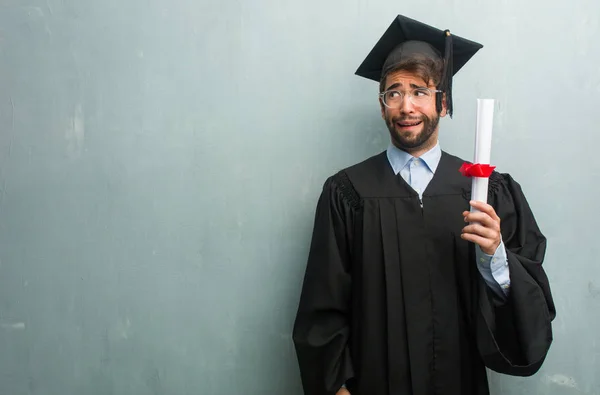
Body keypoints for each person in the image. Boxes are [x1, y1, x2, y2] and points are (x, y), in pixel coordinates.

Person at [291, 14, 555, 395]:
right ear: (382, 107)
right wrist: (337, 389)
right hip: (374, 383)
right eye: (393, 93)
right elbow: (323, 305)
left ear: (442, 103)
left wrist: (496, 255)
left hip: (459, 381)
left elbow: (529, 299)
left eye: (419, 91)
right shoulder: (347, 193)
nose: (406, 106)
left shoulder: (487, 192)